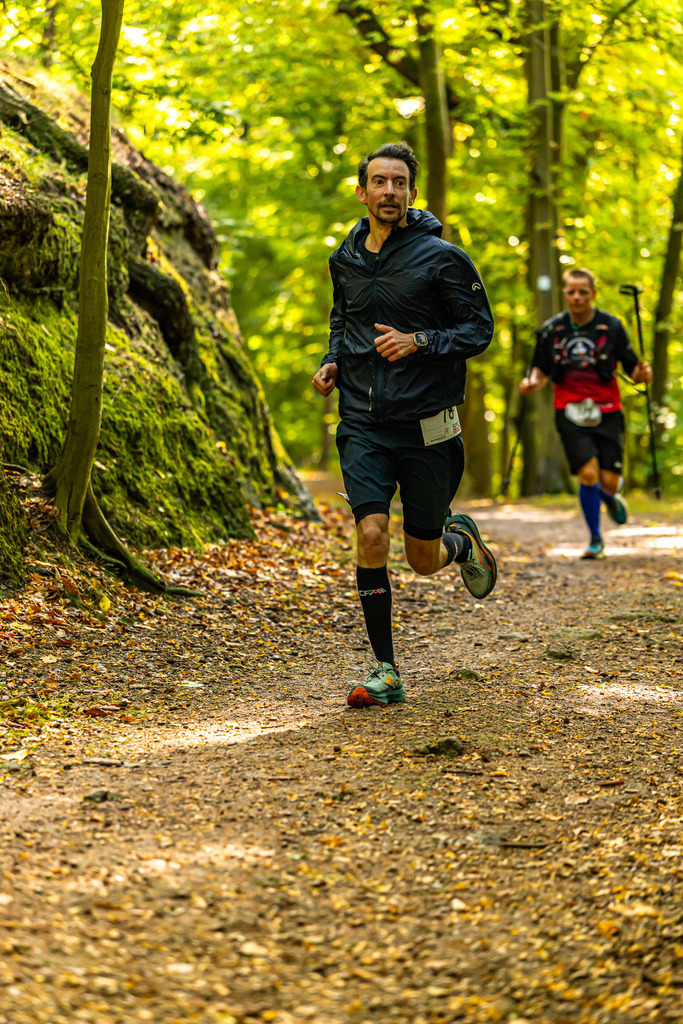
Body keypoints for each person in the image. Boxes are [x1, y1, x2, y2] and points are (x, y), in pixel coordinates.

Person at [312, 141, 496, 709]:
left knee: (420, 558)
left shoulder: (443, 259)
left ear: (412, 192)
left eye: (399, 183)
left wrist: (420, 342)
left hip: (427, 426)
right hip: (363, 421)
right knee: (370, 534)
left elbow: (479, 330)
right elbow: (345, 319)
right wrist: (333, 359)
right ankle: (385, 670)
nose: (389, 191)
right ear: (361, 189)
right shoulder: (345, 258)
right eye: (379, 182)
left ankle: (458, 544)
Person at [519, 267, 653, 559]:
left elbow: (634, 369)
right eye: (571, 291)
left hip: (608, 411)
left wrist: (643, 374)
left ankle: (610, 496)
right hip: (568, 410)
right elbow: (540, 369)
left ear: (593, 294)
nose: (577, 297)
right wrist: (532, 383)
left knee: (609, 481)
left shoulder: (612, 326)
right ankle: (595, 539)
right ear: (564, 294)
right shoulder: (551, 330)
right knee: (588, 473)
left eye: (583, 292)